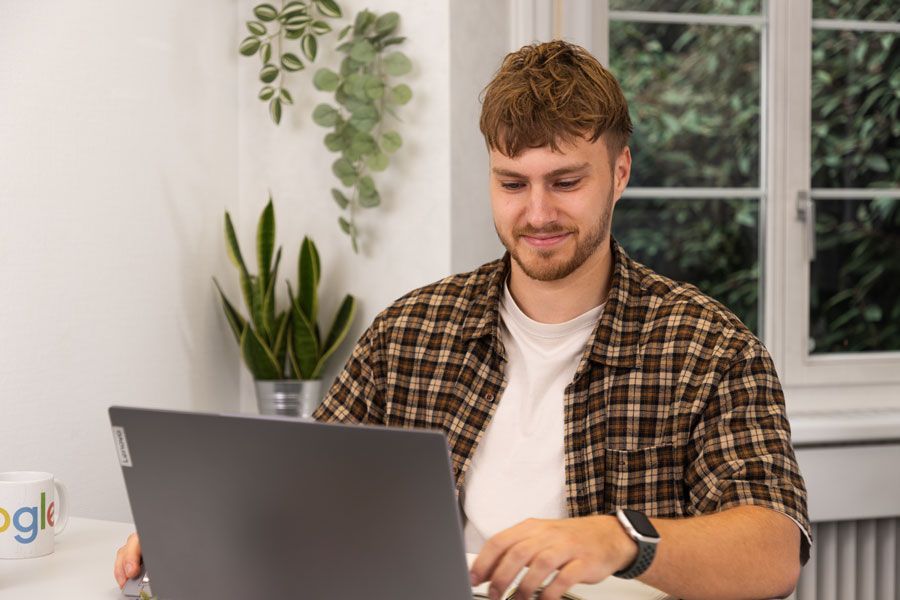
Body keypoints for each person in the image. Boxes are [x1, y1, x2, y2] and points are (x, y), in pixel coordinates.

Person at [115, 40, 811, 599]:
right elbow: (309, 488)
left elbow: (775, 550)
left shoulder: (708, 346)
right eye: (512, 183)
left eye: (566, 181)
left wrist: (620, 540)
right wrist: (201, 525)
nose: (537, 213)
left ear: (620, 172)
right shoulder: (413, 331)